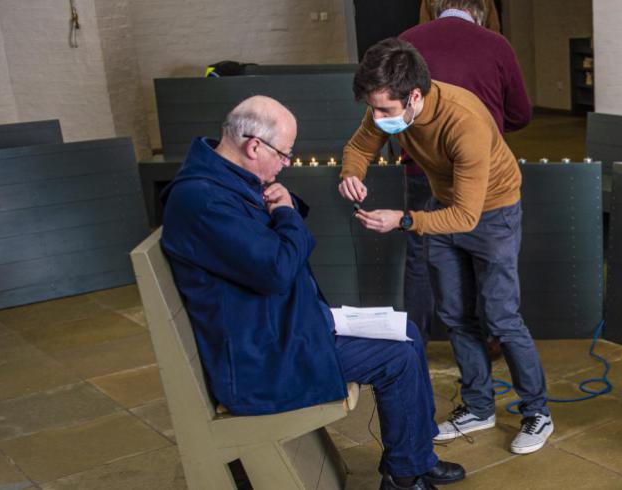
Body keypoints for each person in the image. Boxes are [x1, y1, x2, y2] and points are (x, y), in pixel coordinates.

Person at [159, 96, 464, 490]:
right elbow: (276, 270)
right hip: (262, 357)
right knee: (398, 356)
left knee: (406, 331)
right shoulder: (203, 199)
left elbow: (270, 258)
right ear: (254, 146)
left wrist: (284, 210)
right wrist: (285, 213)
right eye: (284, 154)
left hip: (279, 326)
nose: (286, 164)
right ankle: (404, 478)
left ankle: (417, 456)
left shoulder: (223, 180)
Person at [339, 38, 553, 455]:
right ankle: (478, 406)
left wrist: (402, 220)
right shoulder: (387, 105)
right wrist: (353, 172)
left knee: (501, 317)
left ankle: (537, 411)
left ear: (414, 96)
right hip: (444, 205)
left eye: (385, 110)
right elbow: (359, 146)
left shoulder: (464, 120)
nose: (378, 118)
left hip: (493, 213)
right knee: (455, 314)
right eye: (373, 109)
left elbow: (466, 218)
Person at [396, 0, 532, 343]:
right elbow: (521, 113)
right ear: (481, 8)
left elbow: (393, 111)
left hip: (423, 169)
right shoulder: (495, 44)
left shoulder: (406, 42)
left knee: (419, 255)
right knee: (486, 253)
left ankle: (416, 340)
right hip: (481, 171)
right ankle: (491, 338)